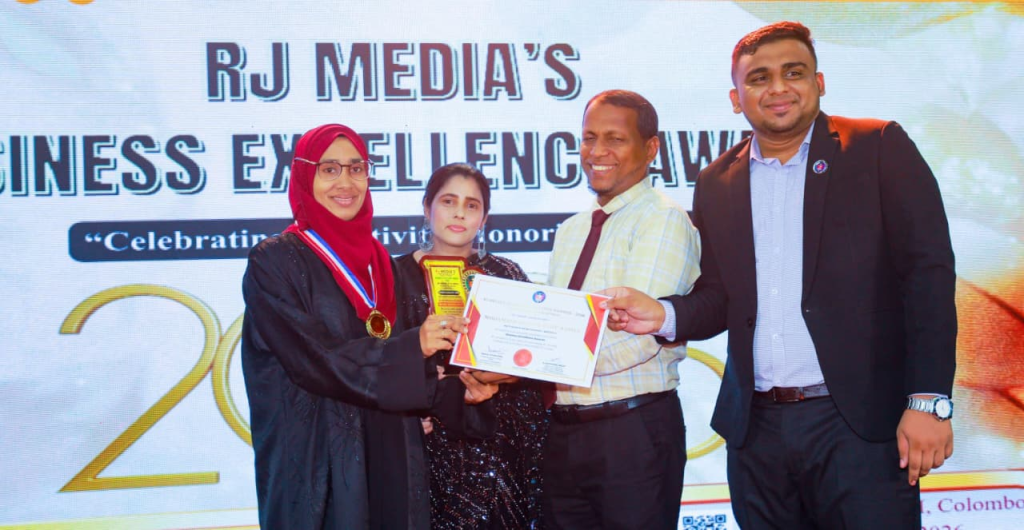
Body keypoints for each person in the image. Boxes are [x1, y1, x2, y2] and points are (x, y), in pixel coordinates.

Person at [602, 22, 956, 529]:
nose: (777, 88)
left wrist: (929, 400)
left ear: (819, 82)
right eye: (759, 78)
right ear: (735, 98)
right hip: (757, 434)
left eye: (794, 72)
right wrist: (662, 315)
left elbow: (929, 277)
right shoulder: (717, 180)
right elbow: (721, 297)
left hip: (859, 426)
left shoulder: (878, 146)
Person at [241, 124, 499, 529]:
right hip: (317, 457)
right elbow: (314, 359)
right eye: (329, 169)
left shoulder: (381, 264)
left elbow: (411, 371)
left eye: (357, 169)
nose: (346, 182)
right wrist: (413, 346)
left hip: (390, 452)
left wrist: (460, 396)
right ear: (305, 176)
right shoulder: (275, 261)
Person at [543, 90, 701, 529]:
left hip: (631, 432)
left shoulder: (663, 219)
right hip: (563, 430)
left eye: (615, 139)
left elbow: (637, 339)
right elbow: (555, 325)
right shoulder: (571, 230)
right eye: (589, 137)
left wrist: (532, 368)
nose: (597, 152)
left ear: (650, 148)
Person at [395, 162, 549, 529]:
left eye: (472, 205)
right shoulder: (394, 277)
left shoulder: (506, 274)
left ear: (484, 218)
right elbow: (381, 363)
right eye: (448, 201)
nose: (460, 213)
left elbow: (538, 354)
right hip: (429, 447)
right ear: (427, 207)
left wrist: (504, 379)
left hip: (504, 445)